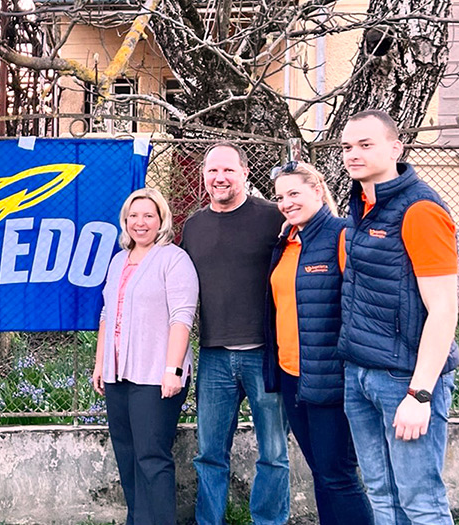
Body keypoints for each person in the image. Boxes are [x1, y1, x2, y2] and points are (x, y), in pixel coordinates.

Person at [338, 110, 458, 524]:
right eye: (347, 147)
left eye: (365, 145)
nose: (353, 155)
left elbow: (444, 309)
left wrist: (421, 394)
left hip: (404, 382)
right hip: (361, 374)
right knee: (383, 499)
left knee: (421, 503)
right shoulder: (361, 205)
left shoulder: (420, 210)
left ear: (396, 147)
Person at [181, 142, 290, 525]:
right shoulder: (193, 227)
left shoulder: (274, 216)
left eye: (228, 170)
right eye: (212, 171)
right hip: (213, 355)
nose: (220, 177)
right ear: (204, 176)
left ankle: (269, 521)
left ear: (245, 172)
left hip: (266, 354)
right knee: (209, 453)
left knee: (274, 454)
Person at [265, 161, 373, 525]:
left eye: (294, 193)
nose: (286, 202)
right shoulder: (288, 241)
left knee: (338, 476)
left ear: (317, 190)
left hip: (332, 379)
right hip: (293, 376)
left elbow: (362, 307)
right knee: (321, 473)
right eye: (280, 196)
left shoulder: (342, 235)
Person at [92, 188, 198, 525]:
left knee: (152, 457)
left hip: (156, 376)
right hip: (117, 374)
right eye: (134, 216)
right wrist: (100, 363)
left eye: (148, 215)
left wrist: (173, 369)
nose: (141, 222)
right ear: (125, 221)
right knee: (127, 454)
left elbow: (182, 317)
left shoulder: (173, 259)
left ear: (161, 220)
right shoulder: (119, 260)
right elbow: (107, 313)